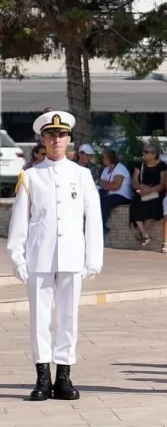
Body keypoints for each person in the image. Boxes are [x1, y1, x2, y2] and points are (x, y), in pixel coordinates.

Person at [7, 110, 103, 401]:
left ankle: (64, 376)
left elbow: (93, 218)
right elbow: (20, 219)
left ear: (69, 139)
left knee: (68, 317)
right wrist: (17, 256)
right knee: (39, 319)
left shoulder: (82, 174)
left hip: (72, 256)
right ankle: (42, 377)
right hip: (40, 256)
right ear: (42, 140)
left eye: (61, 135)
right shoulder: (31, 175)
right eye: (50, 135)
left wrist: (93, 257)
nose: (56, 139)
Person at [130, 144, 167, 246]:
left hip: (155, 192)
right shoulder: (140, 165)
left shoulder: (162, 166)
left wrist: (149, 190)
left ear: (154, 154)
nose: (144, 154)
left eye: (146, 152)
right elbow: (134, 182)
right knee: (136, 203)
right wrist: (141, 187)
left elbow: (162, 184)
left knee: (154, 204)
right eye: (144, 151)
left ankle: (142, 233)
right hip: (142, 191)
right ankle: (144, 234)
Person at [97, 149, 132, 235]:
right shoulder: (106, 169)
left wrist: (102, 183)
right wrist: (104, 184)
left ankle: (101, 226)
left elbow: (115, 186)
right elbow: (101, 183)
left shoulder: (120, 168)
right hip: (109, 194)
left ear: (110, 159)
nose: (103, 160)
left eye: (104, 158)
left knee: (106, 202)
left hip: (122, 196)